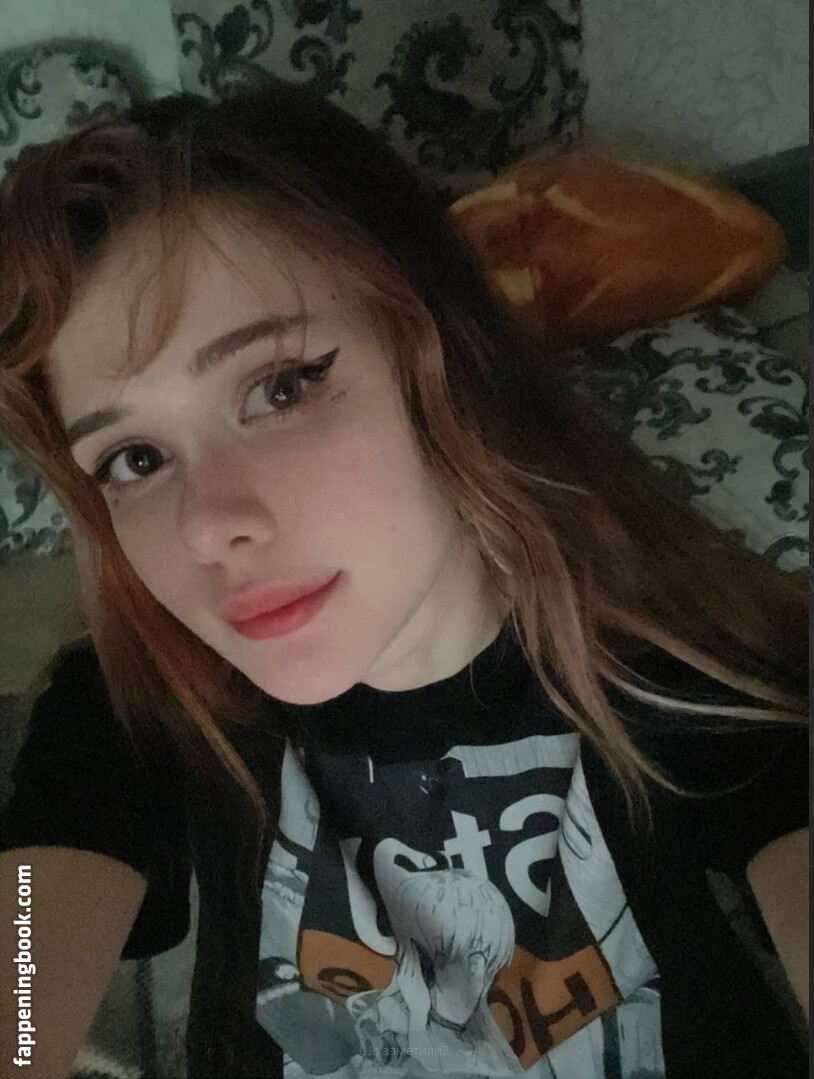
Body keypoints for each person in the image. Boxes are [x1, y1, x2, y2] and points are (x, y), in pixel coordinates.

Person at [0, 83, 807, 1079]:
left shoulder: (665, 652)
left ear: (441, 354)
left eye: (280, 387)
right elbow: (21, 981)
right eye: (134, 458)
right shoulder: (142, 701)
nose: (208, 526)